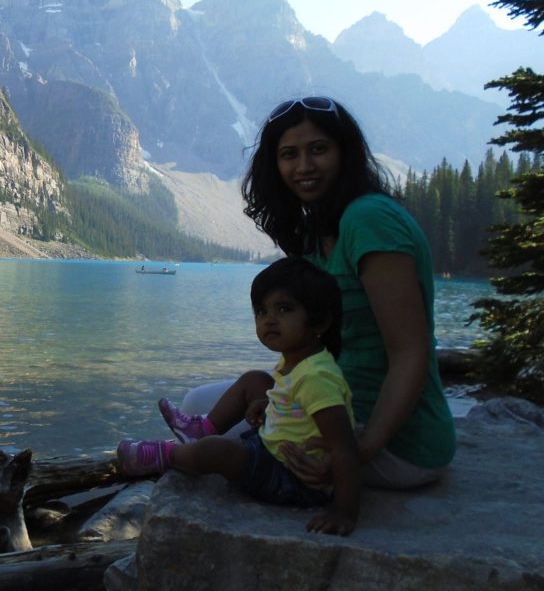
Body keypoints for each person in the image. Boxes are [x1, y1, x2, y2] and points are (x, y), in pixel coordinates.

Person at [172, 96, 455, 490]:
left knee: (209, 445)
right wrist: (276, 399)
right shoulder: (315, 233)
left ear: (345, 153)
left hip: (397, 443)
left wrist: (358, 453)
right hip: (333, 405)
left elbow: (411, 351)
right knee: (197, 406)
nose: (304, 166)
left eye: (318, 149)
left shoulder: (368, 219)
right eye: (289, 154)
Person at [118, 257, 360, 535]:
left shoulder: (317, 377)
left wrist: (344, 511)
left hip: (291, 477)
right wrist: (269, 404)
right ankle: (200, 429)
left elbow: (344, 447)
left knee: (218, 450)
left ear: (320, 322)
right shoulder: (298, 361)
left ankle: (165, 455)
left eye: (284, 309)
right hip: (278, 446)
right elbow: (296, 403)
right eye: (261, 311)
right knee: (254, 381)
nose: (269, 319)